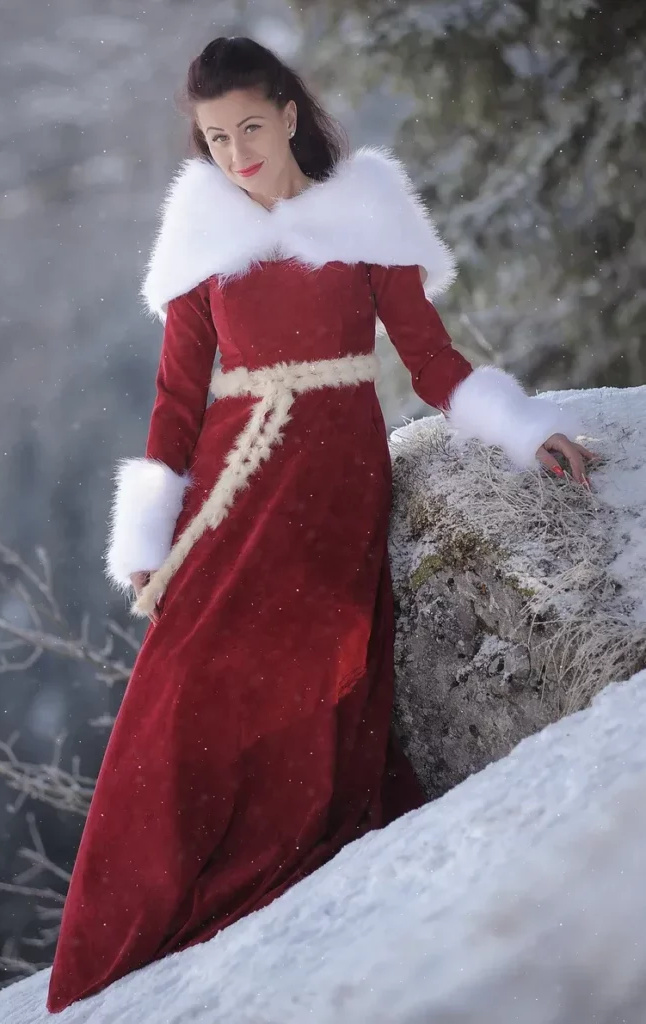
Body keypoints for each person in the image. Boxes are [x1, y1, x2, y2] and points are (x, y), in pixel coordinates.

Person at [46, 36, 596, 1013]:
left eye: (249, 128)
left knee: (310, 686)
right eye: (214, 139)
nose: (234, 154)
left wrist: (521, 429)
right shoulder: (201, 239)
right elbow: (175, 407)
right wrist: (147, 539)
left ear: (290, 114)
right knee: (177, 699)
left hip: (332, 486)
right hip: (232, 488)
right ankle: (129, 929)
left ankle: (276, 866)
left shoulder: (363, 216)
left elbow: (428, 362)